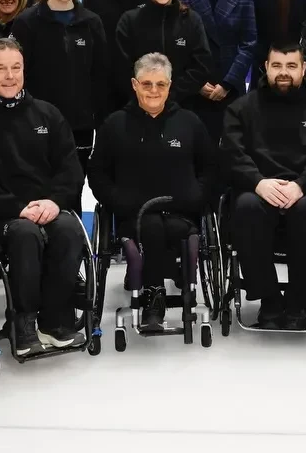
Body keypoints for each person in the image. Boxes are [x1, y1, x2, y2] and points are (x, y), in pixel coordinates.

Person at [0, 39, 86, 350]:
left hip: (46, 209)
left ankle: (56, 320)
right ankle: (22, 322)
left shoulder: (47, 114)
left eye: (16, 68)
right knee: (25, 234)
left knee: (68, 229)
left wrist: (53, 201)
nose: (10, 76)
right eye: (0, 69)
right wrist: (17, 208)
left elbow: (70, 168)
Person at [220, 41, 306, 329]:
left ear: (303, 69)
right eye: (277, 65)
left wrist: (302, 184)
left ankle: (298, 303)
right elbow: (231, 153)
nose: (284, 72)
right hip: (258, 189)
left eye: (291, 66)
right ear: (266, 68)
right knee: (245, 206)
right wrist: (258, 182)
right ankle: (268, 301)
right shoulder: (241, 108)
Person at [89, 53, 216, 332]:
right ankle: (154, 295)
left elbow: (210, 168)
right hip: (134, 214)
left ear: (170, 86)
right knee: (152, 227)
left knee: (168, 228)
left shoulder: (190, 122)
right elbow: (97, 173)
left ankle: (168, 289)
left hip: (181, 211)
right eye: (147, 84)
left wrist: (197, 196)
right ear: (135, 85)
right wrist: (117, 200)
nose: (154, 91)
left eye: (161, 84)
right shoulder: (114, 124)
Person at [11, 0, 113, 179]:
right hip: (36, 122)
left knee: (73, 185)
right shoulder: (27, 22)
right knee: (37, 185)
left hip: (80, 125)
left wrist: (99, 121)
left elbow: (100, 75)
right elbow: (17, 74)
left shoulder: (91, 22)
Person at [178, 0, 257, 141]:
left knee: (232, 149)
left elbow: (248, 45)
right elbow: (181, 45)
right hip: (196, 90)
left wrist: (227, 84)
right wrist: (197, 83)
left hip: (231, 89)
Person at [114, 0, 213, 111]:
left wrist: (169, 95)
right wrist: (147, 96)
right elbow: (121, 68)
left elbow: (201, 66)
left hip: (182, 108)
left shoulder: (191, 20)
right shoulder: (129, 21)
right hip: (139, 108)